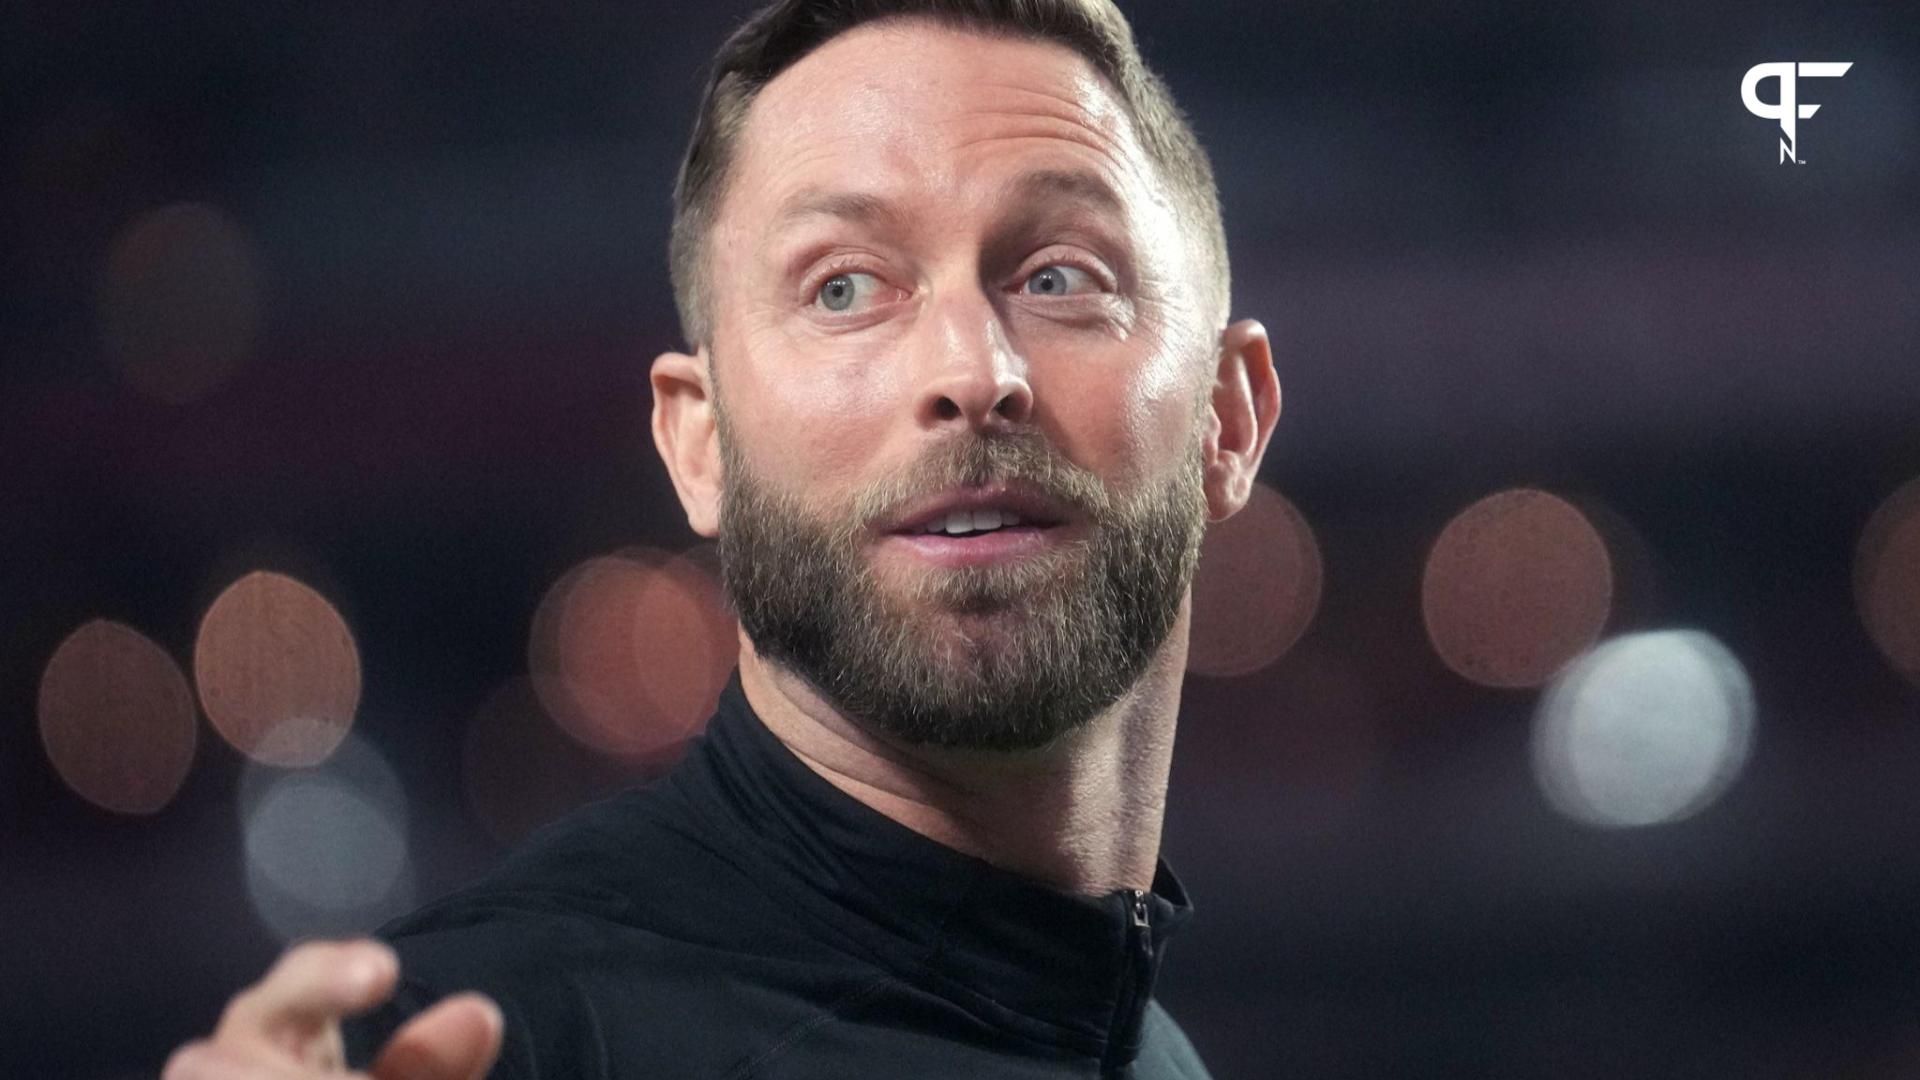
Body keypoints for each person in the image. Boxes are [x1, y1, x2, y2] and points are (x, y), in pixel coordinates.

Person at [161, 0, 1279, 1075]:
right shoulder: (488, 1040)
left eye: (1059, 278)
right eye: (843, 287)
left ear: (1229, 418)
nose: (972, 373)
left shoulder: (1143, 1047)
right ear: (700, 446)